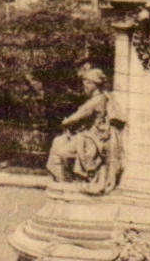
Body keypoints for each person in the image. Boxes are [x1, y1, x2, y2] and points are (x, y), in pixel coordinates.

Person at [45, 66, 125, 194]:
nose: (85, 86)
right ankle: (66, 181)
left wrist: (65, 122)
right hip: (91, 136)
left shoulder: (96, 101)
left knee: (61, 151)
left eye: (87, 83)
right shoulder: (101, 98)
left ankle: (67, 182)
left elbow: (77, 116)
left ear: (94, 84)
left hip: (93, 140)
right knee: (59, 143)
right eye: (85, 83)